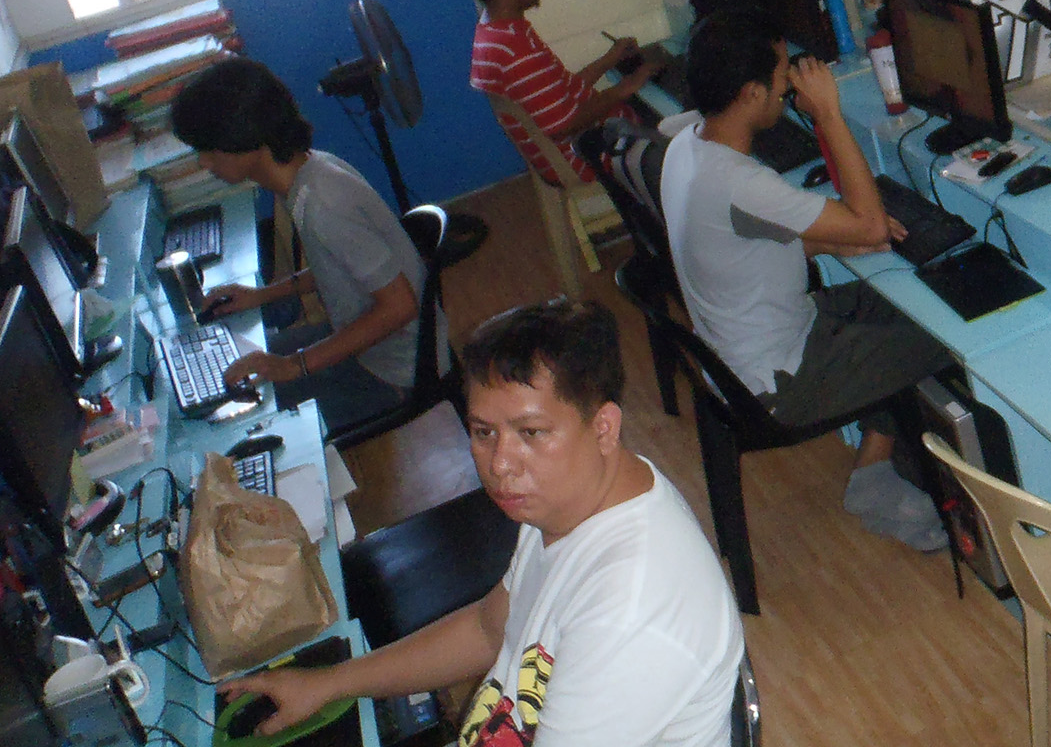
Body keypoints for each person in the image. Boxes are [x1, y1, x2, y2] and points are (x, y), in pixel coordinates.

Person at [225, 299, 745, 747]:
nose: (500, 464)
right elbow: (487, 629)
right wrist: (328, 683)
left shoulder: (634, 611)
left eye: (531, 432)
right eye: (483, 432)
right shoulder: (564, 504)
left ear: (604, 427)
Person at [659, 10, 954, 552]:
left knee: (899, 301)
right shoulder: (741, 182)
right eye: (781, 77)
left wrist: (828, 240)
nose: (788, 87)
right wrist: (829, 115)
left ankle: (873, 469)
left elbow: (741, 244)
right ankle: (906, 486)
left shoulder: (686, 147)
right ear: (751, 93)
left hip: (747, 348)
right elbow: (868, 223)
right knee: (949, 335)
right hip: (783, 381)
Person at [170, 58, 433, 433]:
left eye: (208, 149)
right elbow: (339, 266)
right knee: (238, 367)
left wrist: (295, 365)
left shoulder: (323, 204)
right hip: (369, 343)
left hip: (394, 371)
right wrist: (261, 295)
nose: (202, 162)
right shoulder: (309, 171)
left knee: (231, 424)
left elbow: (400, 306)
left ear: (243, 139)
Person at [463, 0, 663, 187]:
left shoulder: (494, 31)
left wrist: (610, 59)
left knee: (653, 104)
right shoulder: (514, 48)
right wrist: (626, 87)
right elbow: (563, 125)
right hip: (589, 155)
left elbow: (562, 92)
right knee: (680, 125)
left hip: (581, 144)